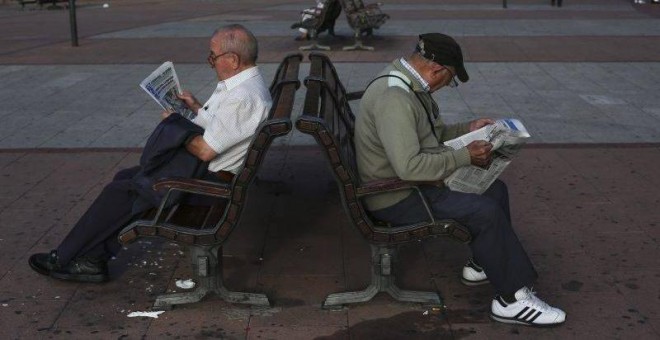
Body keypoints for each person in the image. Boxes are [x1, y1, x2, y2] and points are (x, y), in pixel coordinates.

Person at [28, 24, 272, 283]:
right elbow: (222, 128)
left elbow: (204, 150)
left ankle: (66, 257)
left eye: (213, 56)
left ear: (233, 60)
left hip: (207, 186)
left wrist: (176, 122)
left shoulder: (243, 97)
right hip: (206, 176)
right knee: (127, 179)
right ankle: (92, 258)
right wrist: (197, 108)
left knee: (122, 190)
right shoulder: (244, 85)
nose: (210, 62)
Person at [353, 33, 566, 327]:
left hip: (407, 185)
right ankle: (512, 300)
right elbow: (410, 168)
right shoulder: (396, 98)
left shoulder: (405, 82)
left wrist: (469, 128)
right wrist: (464, 157)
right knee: (485, 212)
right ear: (437, 70)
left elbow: (430, 136)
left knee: (494, 189)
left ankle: (483, 263)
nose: (446, 86)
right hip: (396, 196)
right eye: (450, 79)